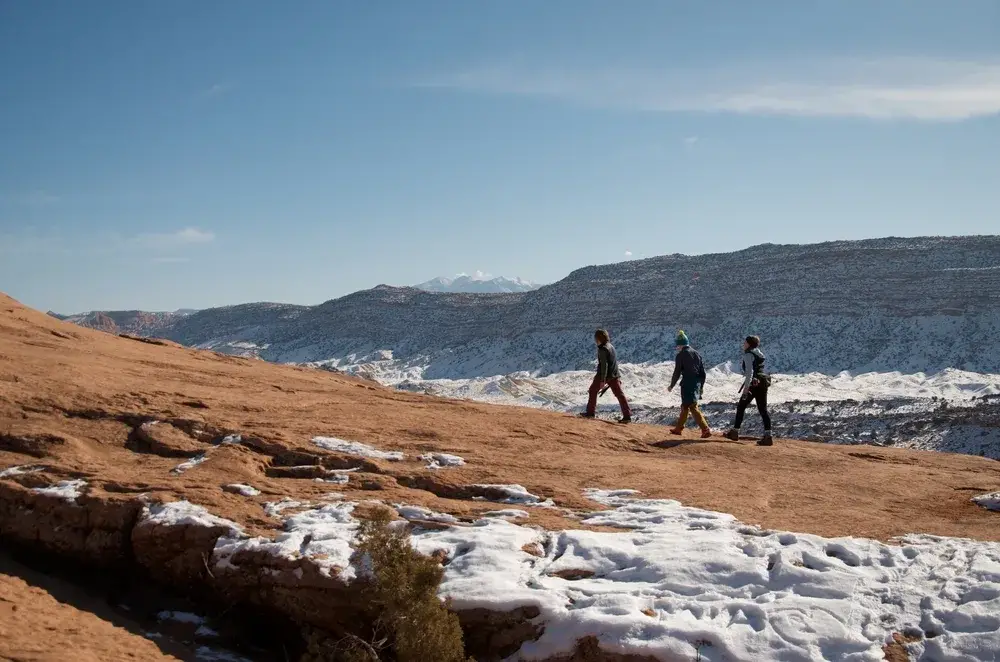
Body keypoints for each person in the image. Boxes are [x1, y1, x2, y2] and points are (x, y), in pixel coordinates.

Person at [725, 335, 773, 446]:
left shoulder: (748, 355)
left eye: (745, 342)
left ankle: (735, 432)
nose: (743, 344)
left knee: (741, 406)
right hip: (763, 383)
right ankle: (768, 436)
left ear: (749, 344)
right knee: (763, 409)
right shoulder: (758, 353)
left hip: (753, 383)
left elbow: (749, 373)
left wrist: (746, 389)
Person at [580, 329, 632, 423]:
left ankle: (590, 413)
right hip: (614, 375)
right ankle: (627, 416)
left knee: (593, 390)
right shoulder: (611, 346)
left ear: (598, 338)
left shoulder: (602, 349)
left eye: (596, 338)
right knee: (620, 395)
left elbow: (604, 365)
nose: (595, 340)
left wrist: (602, 380)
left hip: (604, 375)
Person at [667, 330, 711, 438]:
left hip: (687, 384)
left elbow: (677, 372)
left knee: (692, 406)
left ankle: (705, 429)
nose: (676, 347)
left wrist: (671, 385)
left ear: (680, 345)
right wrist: (701, 386)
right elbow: (703, 372)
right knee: (685, 406)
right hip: (696, 383)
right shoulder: (696, 353)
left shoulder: (680, 355)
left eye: (677, 345)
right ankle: (678, 429)